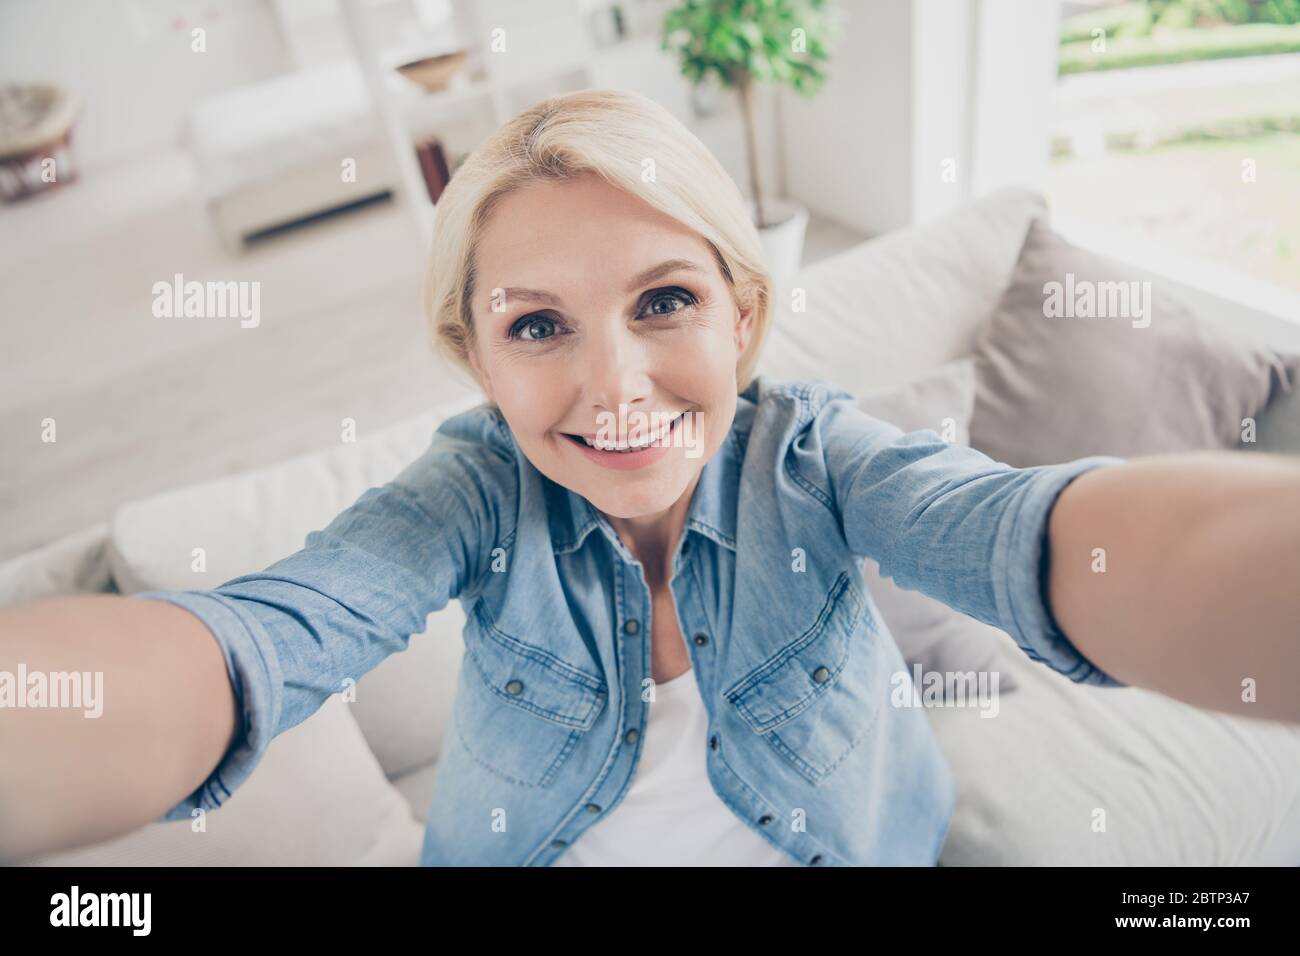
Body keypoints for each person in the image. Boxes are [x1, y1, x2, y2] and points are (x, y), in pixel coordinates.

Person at [2, 88, 1298, 866]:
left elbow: (1028, 534)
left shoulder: (815, 457)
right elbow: (262, 641)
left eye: (664, 300)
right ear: (476, 360)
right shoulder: (470, 497)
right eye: (537, 325)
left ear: (743, 314)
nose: (614, 384)